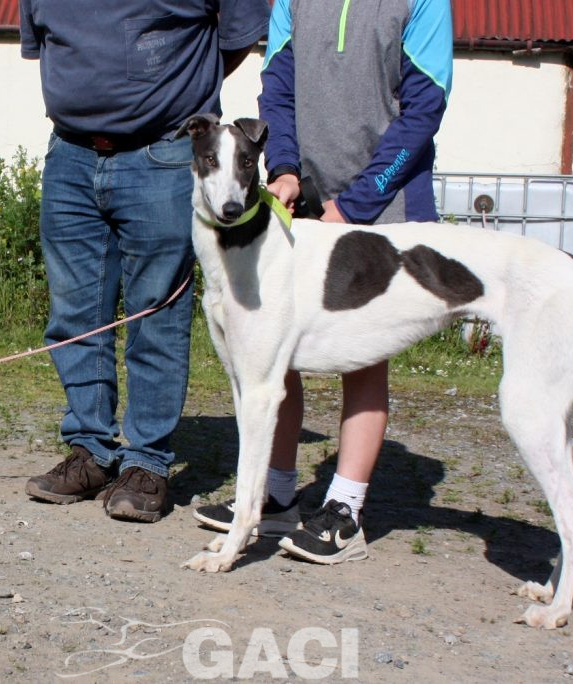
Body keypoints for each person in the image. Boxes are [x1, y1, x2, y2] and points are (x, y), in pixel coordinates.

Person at [194, 0, 453, 561]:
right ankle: (277, 493)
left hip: (386, 201)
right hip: (307, 195)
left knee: (362, 357)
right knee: (276, 348)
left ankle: (345, 509)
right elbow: (278, 85)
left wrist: (357, 202)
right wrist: (283, 167)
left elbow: (425, 107)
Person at [19, 1, 270, 523]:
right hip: (69, 153)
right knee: (74, 313)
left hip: (162, 153)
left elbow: (239, 33)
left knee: (155, 313)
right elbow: (46, 44)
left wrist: (172, 86)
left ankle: (146, 462)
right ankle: (91, 450)